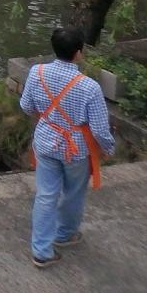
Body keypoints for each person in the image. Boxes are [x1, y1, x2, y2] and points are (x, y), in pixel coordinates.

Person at [19, 27, 115, 267]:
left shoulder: (37, 72)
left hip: (45, 142)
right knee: (73, 193)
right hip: (76, 150)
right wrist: (108, 148)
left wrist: (49, 119)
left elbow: (26, 106)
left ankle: (41, 251)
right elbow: (100, 129)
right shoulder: (89, 87)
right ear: (78, 52)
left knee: (45, 195)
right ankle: (64, 235)